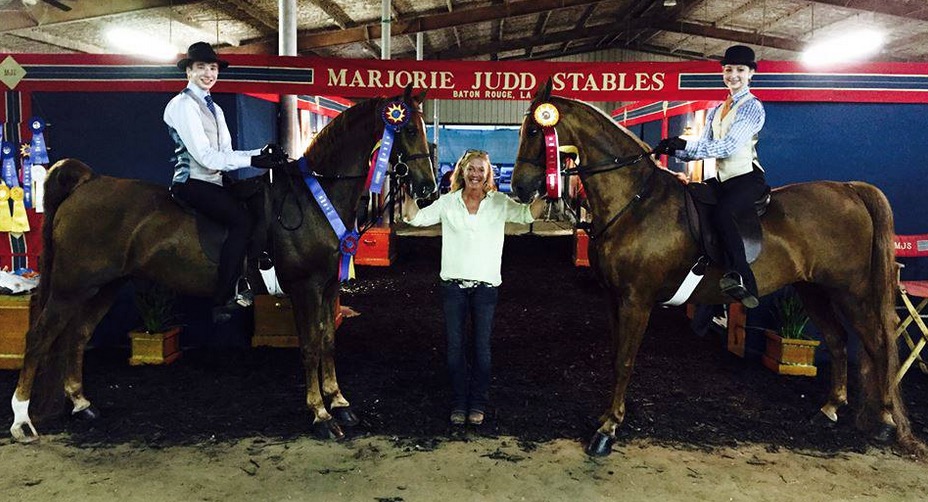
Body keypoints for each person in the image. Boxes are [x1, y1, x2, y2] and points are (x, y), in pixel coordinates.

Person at [402, 149, 545, 426]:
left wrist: (549, 191)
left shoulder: (499, 202)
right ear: (462, 172)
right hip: (453, 287)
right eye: (470, 169)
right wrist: (406, 195)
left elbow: (528, 215)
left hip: (485, 288)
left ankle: (477, 402)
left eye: (481, 169)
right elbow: (415, 218)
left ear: (487, 174)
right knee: (455, 349)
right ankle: (458, 403)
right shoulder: (448, 202)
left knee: (481, 349)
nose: (475, 174)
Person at [164, 41, 287, 323]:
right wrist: (254, 161)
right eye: (201, 68)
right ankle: (222, 297)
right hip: (191, 182)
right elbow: (207, 157)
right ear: (189, 72)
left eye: (212, 68)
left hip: (214, 181)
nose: (208, 73)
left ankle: (249, 280)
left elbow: (227, 154)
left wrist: (262, 152)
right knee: (241, 221)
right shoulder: (183, 105)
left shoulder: (215, 108)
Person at [653, 44, 768, 309]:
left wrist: (684, 145)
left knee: (723, 214)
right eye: (729, 70)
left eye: (740, 70)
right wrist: (672, 149)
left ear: (750, 74)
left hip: (746, 179)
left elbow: (727, 147)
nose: (733, 75)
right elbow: (702, 147)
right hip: (720, 180)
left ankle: (742, 276)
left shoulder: (752, 108)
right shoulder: (717, 110)